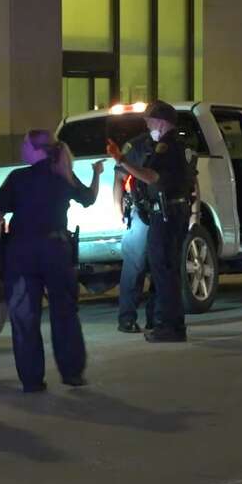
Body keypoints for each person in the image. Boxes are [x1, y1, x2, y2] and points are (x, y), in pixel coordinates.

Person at [0, 132, 101, 392]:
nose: (21, 148)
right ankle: (72, 372)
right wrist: (97, 174)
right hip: (57, 250)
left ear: (36, 150)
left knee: (25, 316)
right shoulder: (63, 174)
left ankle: (32, 380)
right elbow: (88, 199)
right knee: (65, 312)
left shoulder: (18, 178)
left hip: (23, 252)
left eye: (24, 144)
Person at [106, 100, 195, 343]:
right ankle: (168, 324)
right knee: (167, 271)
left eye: (149, 120)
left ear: (161, 121)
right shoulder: (182, 145)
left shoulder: (165, 147)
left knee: (162, 271)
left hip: (164, 214)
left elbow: (151, 176)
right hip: (175, 212)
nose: (146, 124)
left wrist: (122, 160)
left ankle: (167, 327)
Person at [115, 131, 155, 333]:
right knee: (134, 266)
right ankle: (127, 319)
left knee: (162, 267)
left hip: (165, 213)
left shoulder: (175, 144)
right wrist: (118, 208)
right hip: (140, 212)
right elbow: (120, 178)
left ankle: (155, 319)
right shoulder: (136, 146)